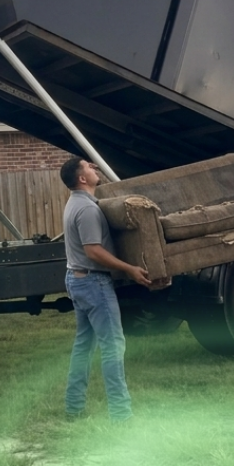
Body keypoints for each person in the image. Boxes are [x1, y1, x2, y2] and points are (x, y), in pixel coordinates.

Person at [60, 156, 152, 421]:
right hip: (93, 282)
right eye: (89, 166)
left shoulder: (75, 203)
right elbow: (94, 251)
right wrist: (129, 268)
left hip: (76, 280)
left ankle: (74, 409)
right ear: (81, 178)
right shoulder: (88, 210)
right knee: (113, 346)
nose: (94, 167)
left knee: (83, 346)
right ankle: (121, 416)